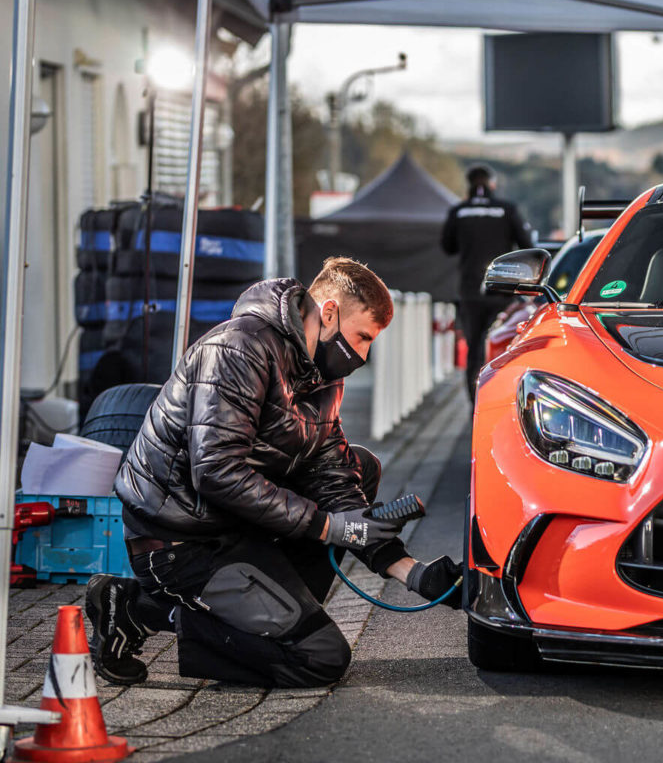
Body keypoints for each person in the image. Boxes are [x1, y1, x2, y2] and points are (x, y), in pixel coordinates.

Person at [86, 258, 463, 688]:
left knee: (361, 466)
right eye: (362, 337)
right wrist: (326, 527)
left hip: (237, 524)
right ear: (329, 313)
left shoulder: (321, 373)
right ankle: (133, 608)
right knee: (319, 658)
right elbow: (216, 470)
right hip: (181, 538)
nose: (362, 355)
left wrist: (412, 572)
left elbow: (333, 474)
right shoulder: (238, 348)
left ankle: (278, 614)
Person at [442, 164, 534, 399]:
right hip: (502, 290)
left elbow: (447, 246)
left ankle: (475, 403)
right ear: (492, 184)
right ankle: (500, 397)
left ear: (469, 185)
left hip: (470, 292)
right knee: (503, 346)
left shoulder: (458, 211)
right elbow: (527, 246)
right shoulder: (507, 209)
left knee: (474, 349)